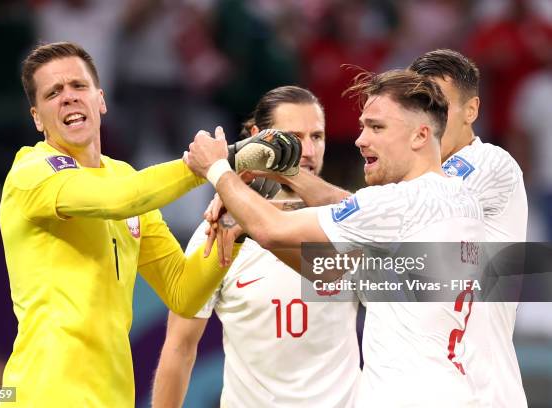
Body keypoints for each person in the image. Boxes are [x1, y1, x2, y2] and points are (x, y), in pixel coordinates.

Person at [0, 42, 298, 407]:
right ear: (37, 118)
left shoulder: (125, 177)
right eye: (53, 93)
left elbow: (182, 291)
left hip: (113, 396)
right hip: (45, 395)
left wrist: (237, 226)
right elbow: (116, 200)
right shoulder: (31, 172)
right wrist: (216, 165)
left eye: (78, 86)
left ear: (101, 100)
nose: (68, 98)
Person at [185, 69, 485, 407]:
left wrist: (219, 169)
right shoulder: (462, 198)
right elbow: (334, 267)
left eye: (377, 127)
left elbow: (272, 229)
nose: (360, 140)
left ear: (419, 136)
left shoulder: (397, 205)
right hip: (457, 391)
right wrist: (252, 220)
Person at [151, 86, 360, 407]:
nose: (307, 150)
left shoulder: (347, 223)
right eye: (292, 137)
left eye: (317, 136)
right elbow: (180, 348)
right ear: (257, 137)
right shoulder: (217, 228)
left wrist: (239, 182)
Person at [409, 48, 528, 408]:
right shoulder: (403, 184)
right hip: (424, 388)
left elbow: (413, 212)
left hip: (483, 391)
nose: (429, 120)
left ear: (472, 110)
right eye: (420, 106)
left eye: (440, 106)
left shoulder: (490, 164)